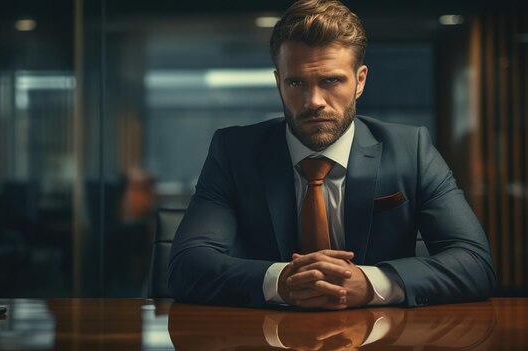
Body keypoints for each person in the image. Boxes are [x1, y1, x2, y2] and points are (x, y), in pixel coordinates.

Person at [168, 0, 496, 309]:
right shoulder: (234, 152)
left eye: (330, 81)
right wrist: (280, 280)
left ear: (359, 81)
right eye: (297, 83)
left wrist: (371, 283)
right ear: (278, 83)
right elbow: (187, 266)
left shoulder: (411, 150)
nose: (314, 101)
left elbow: (474, 263)